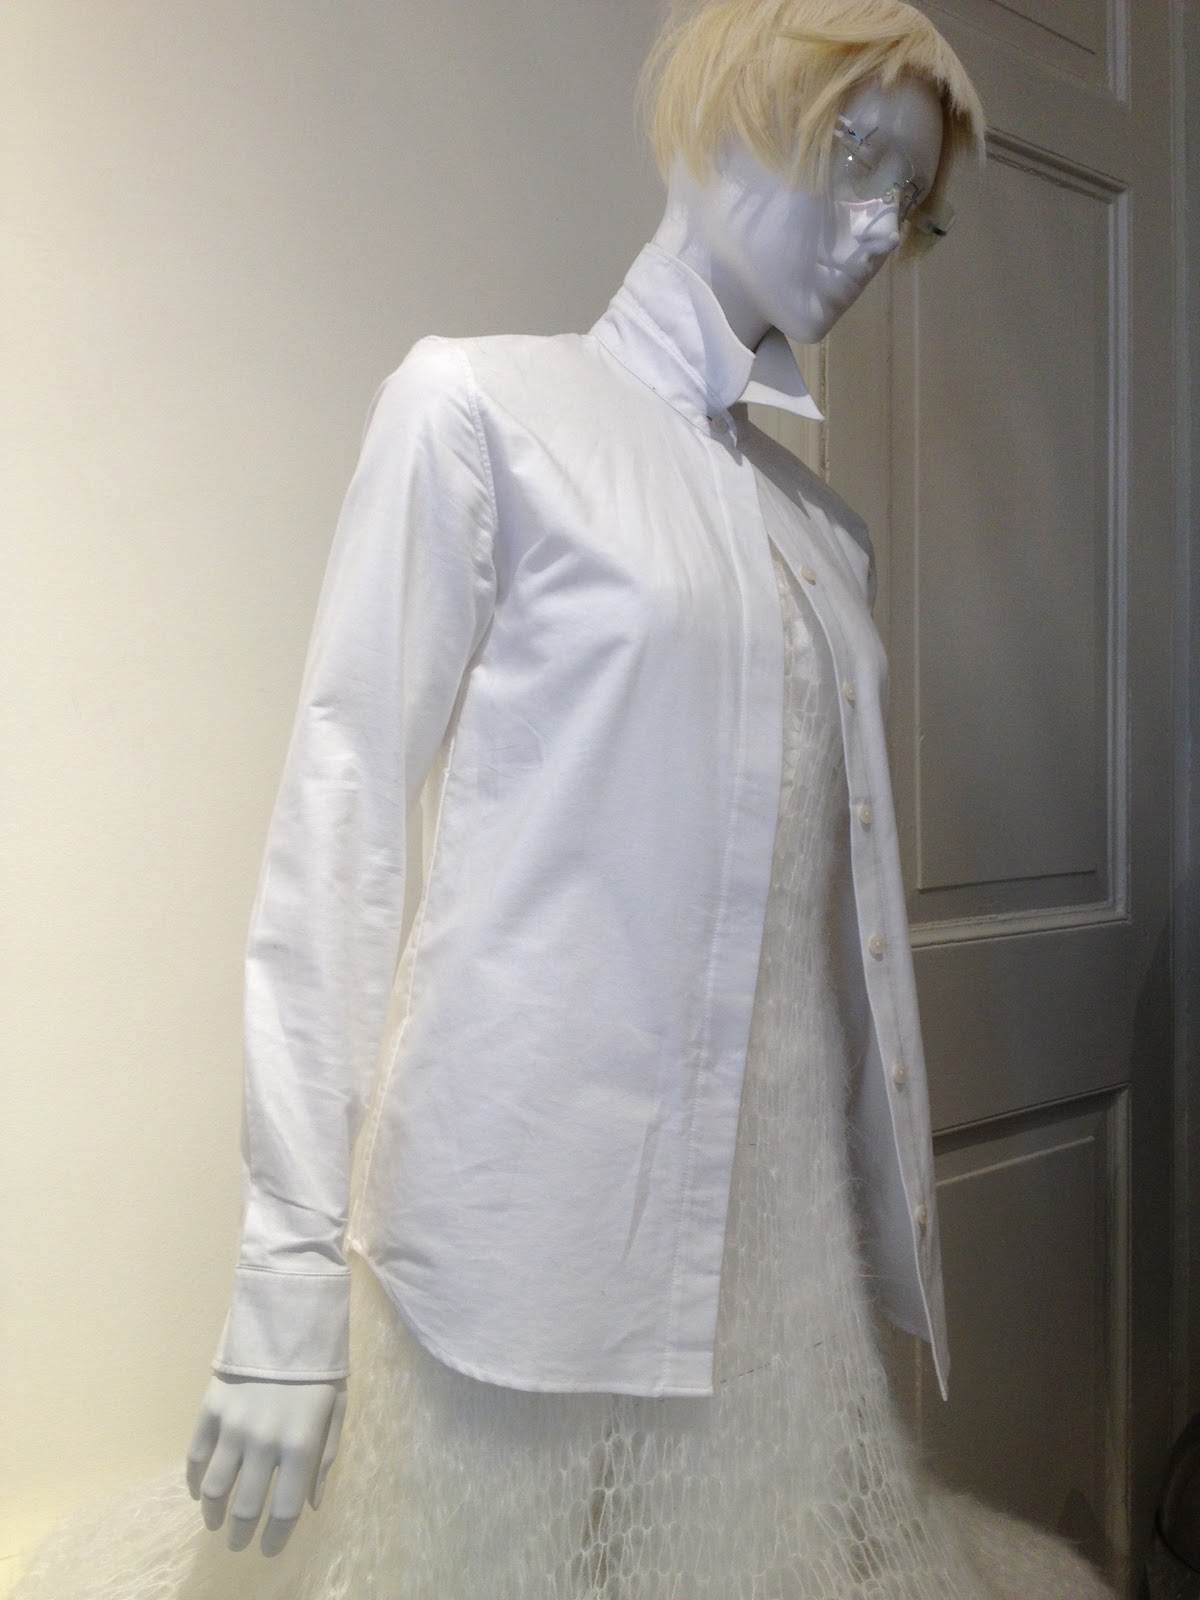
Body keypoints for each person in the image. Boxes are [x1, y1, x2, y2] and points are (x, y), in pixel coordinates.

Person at [11, 4, 1118, 1597]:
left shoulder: (824, 540)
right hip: (511, 1246)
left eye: (915, 205)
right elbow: (338, 831)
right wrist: (286, 1274)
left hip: (768, 1277)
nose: (881, 229)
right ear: (723, 121)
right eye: (856, 157)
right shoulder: (481, 414)